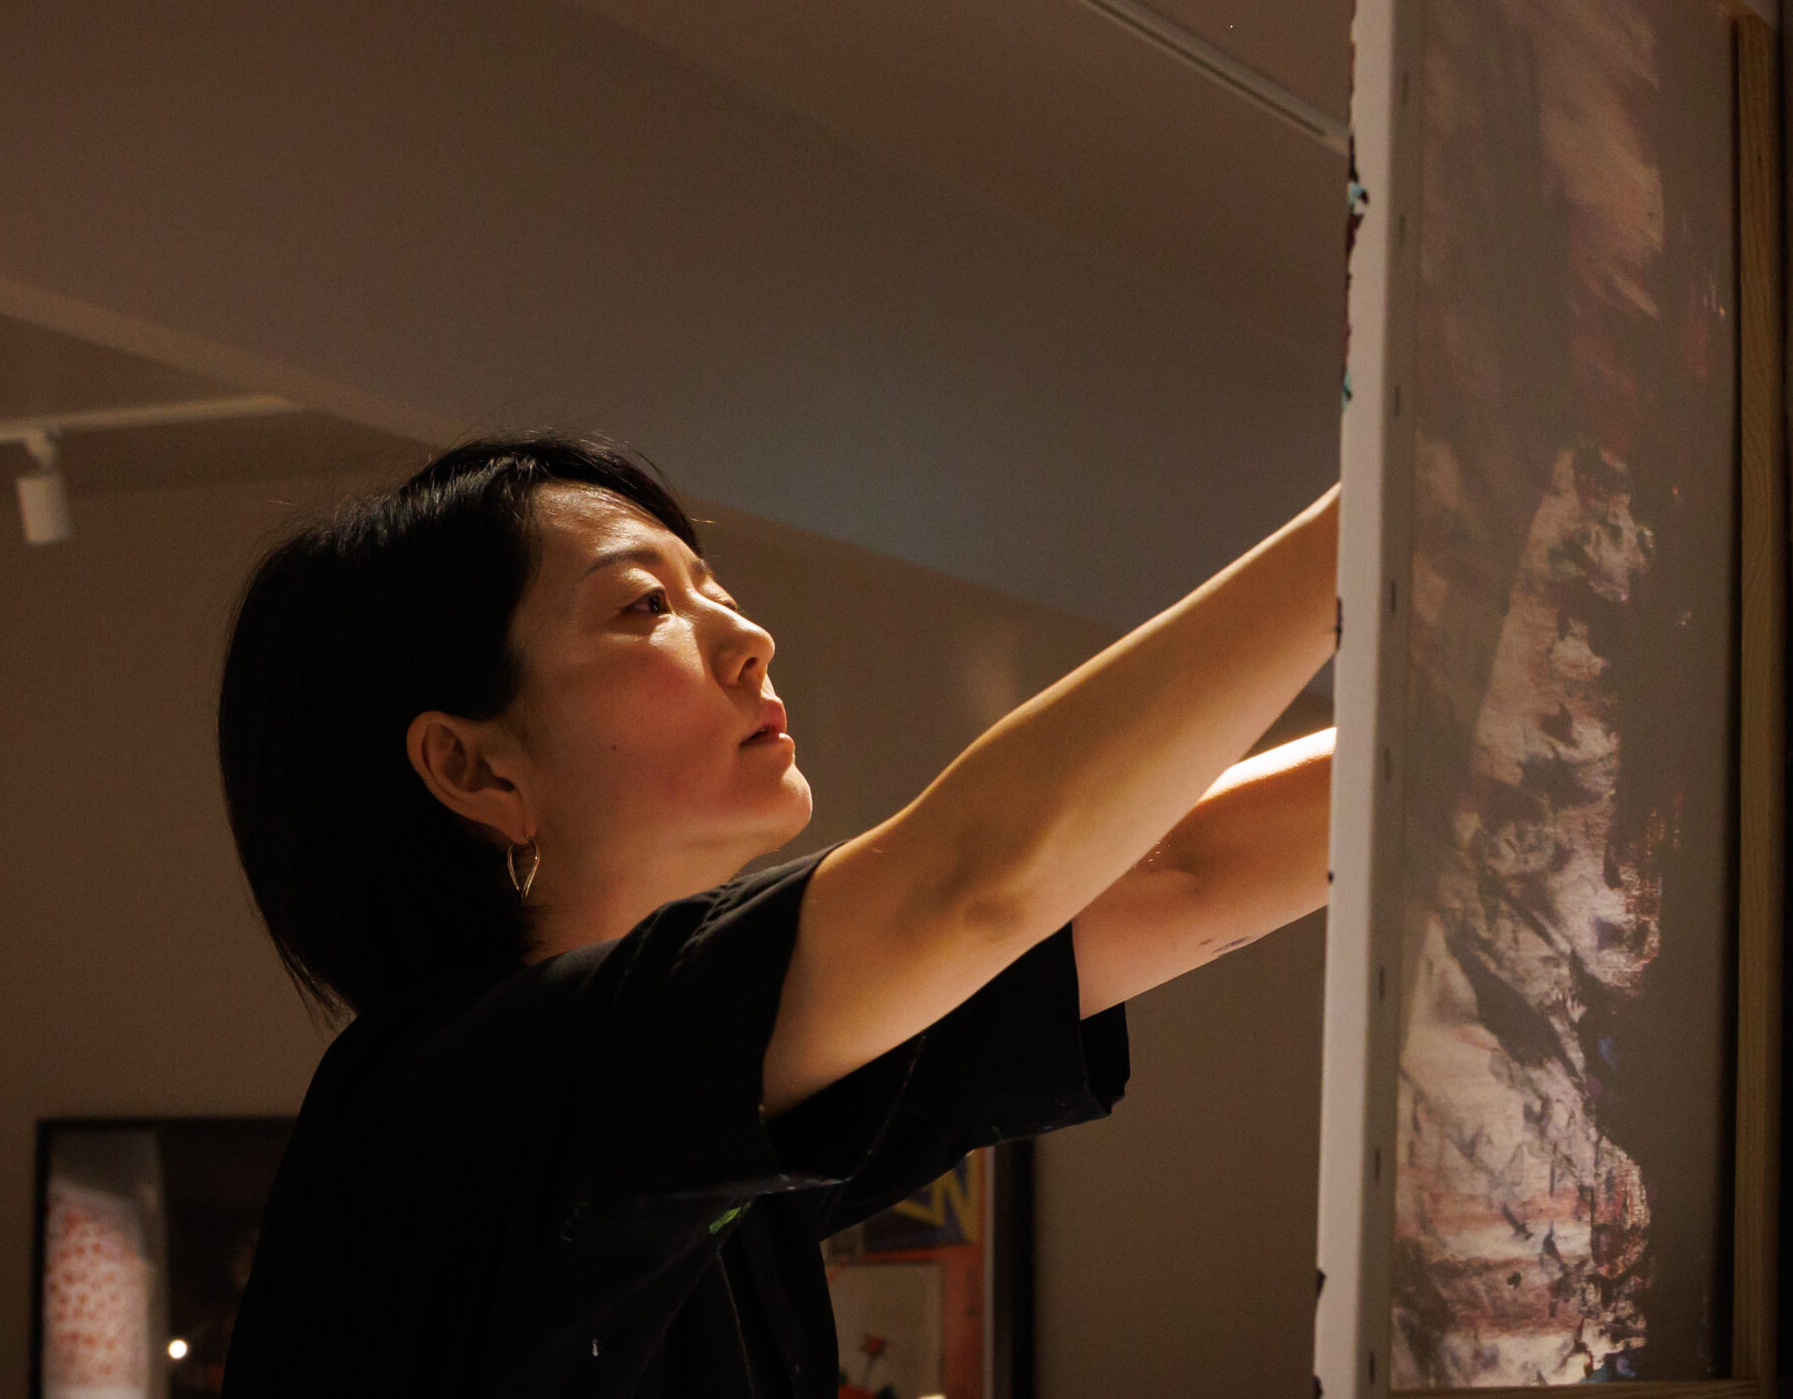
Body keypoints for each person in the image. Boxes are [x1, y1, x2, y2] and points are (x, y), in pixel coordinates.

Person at [214, 435, 1337, 1395]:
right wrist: (1380, 521)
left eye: (715, 590)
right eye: (647, 604)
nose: (748, 638)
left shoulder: (714, 1096)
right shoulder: (460, 1106)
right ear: (475, 767)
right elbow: (975, 882)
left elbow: (1175, 871)